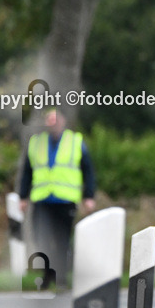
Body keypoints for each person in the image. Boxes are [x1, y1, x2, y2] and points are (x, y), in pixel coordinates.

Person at [18, 109, 96, 288]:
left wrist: (89, 196)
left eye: (55, 119)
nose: (52, 123)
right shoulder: (36, 143)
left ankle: (60, 278)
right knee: (40, 239)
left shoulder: (75, 141)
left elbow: (88, 170)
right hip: (42, 200)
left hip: (65, 200)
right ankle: (47, 274)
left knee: (62, 241)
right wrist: (23, 196)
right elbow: (27, 171)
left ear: (62, 121)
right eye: (49, 120)